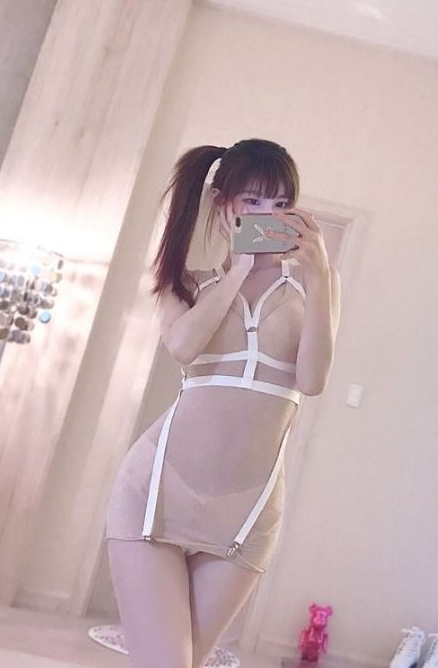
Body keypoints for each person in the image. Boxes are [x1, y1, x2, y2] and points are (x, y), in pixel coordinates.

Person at [105, 138, 341, 668]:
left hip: (247, 514)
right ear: (223, 203)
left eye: (280, 204)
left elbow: (312, 379)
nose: (267, 214)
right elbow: (183, 346)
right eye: (252, 202)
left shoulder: (315, 289)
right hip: (158, 494)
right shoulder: (186, 283)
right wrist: (238, 269)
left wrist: (320, 273)